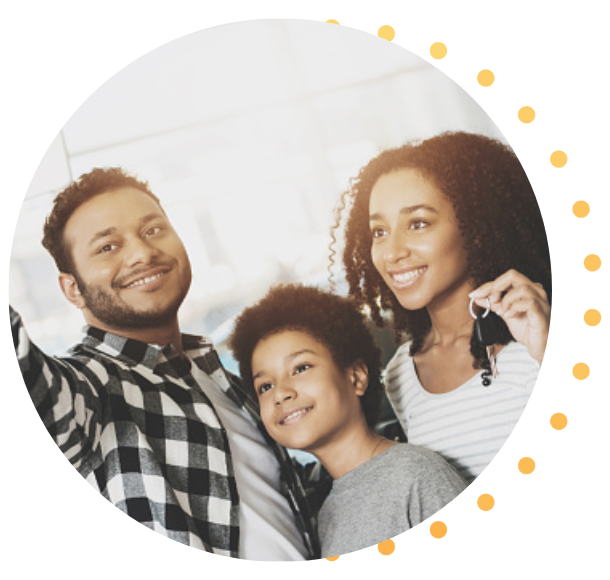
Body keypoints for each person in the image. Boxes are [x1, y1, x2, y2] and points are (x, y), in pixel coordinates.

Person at [10, 167, 319, 561]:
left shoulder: (217, 375)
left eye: (153, 230)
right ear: (72, 288)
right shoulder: (87, 389)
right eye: (107, 247)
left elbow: (272, 503)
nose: (141, 253)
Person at [332, 131, 551, 484]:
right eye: (379, 231)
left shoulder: (536, 336)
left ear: (475, 227)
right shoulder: (401, 373)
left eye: (417, 223)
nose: (392, 252)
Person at [228, 283, 467, 559]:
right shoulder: (325, 512)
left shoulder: (415, 475)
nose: (280, 393)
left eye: (301, 368)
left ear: (356, 377)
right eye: (265, 386)